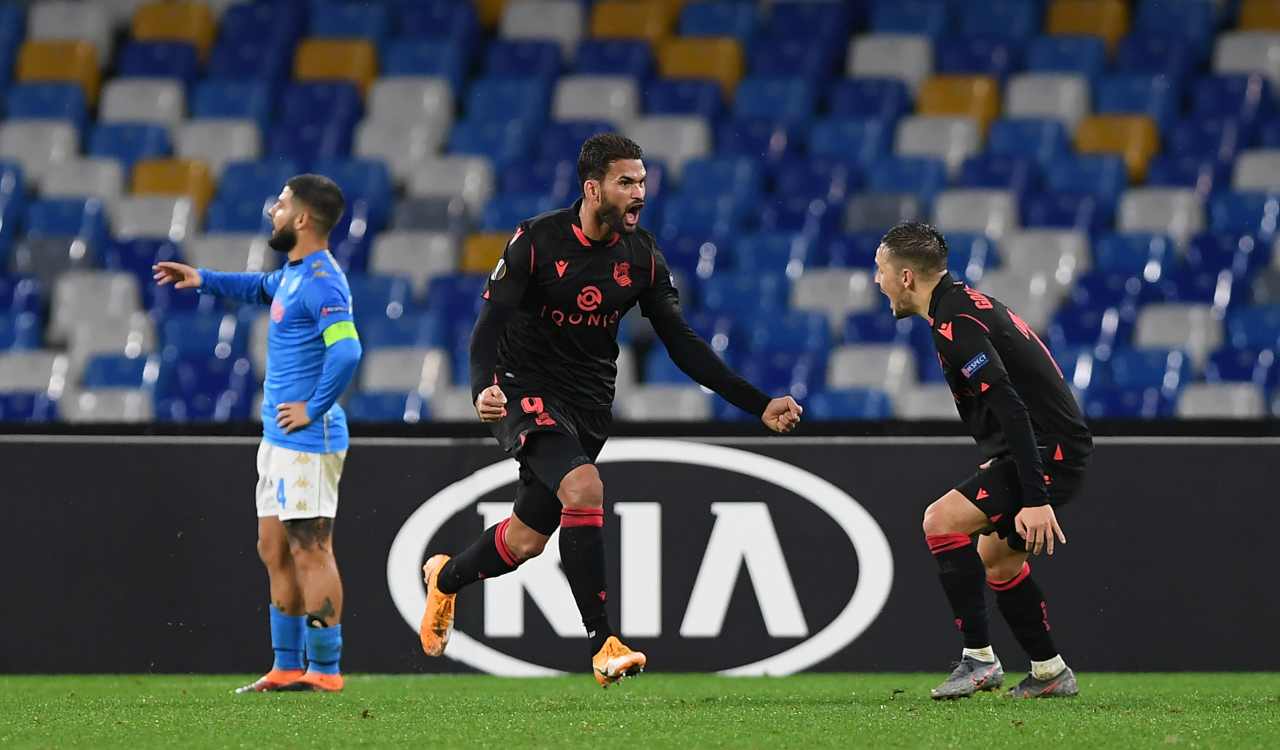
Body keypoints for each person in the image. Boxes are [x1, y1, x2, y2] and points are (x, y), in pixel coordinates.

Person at [418, 133, 803, 687]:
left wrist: (758, 404)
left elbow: (684, 344)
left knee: (526, 540)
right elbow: (488, 327)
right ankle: (603, 644)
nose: (639, 193)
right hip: (524, 391)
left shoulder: (642, 256)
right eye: (627, 182)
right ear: (593, 188)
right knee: (584, 487)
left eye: (643, 182)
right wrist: (483, 387)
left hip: (589, 405)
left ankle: (446, 578)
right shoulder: (535, 241)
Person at [153, 174, 362, 693]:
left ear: (304, 219)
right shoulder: (293, 274)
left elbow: (348, 350)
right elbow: (257, 287)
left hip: (308, 442)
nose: (274, 209)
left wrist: (314, 408)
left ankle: (326, 671)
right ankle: (287, 665)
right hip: (277, 441)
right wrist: (201, 277)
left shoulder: (323, 281)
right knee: (273, 548)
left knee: (310, 549)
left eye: (283, 203)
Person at [871, 221, 1093, 699]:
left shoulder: (956, 323)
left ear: (906, 277)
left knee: (940, 521)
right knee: (996, 558)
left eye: (881, 270)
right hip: (1048, 446)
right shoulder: (963, 306)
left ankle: (978, 660)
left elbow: (1010, 406)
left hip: (1047, 451)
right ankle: (1051, 673)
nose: (877, 281)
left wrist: (1035, 498)